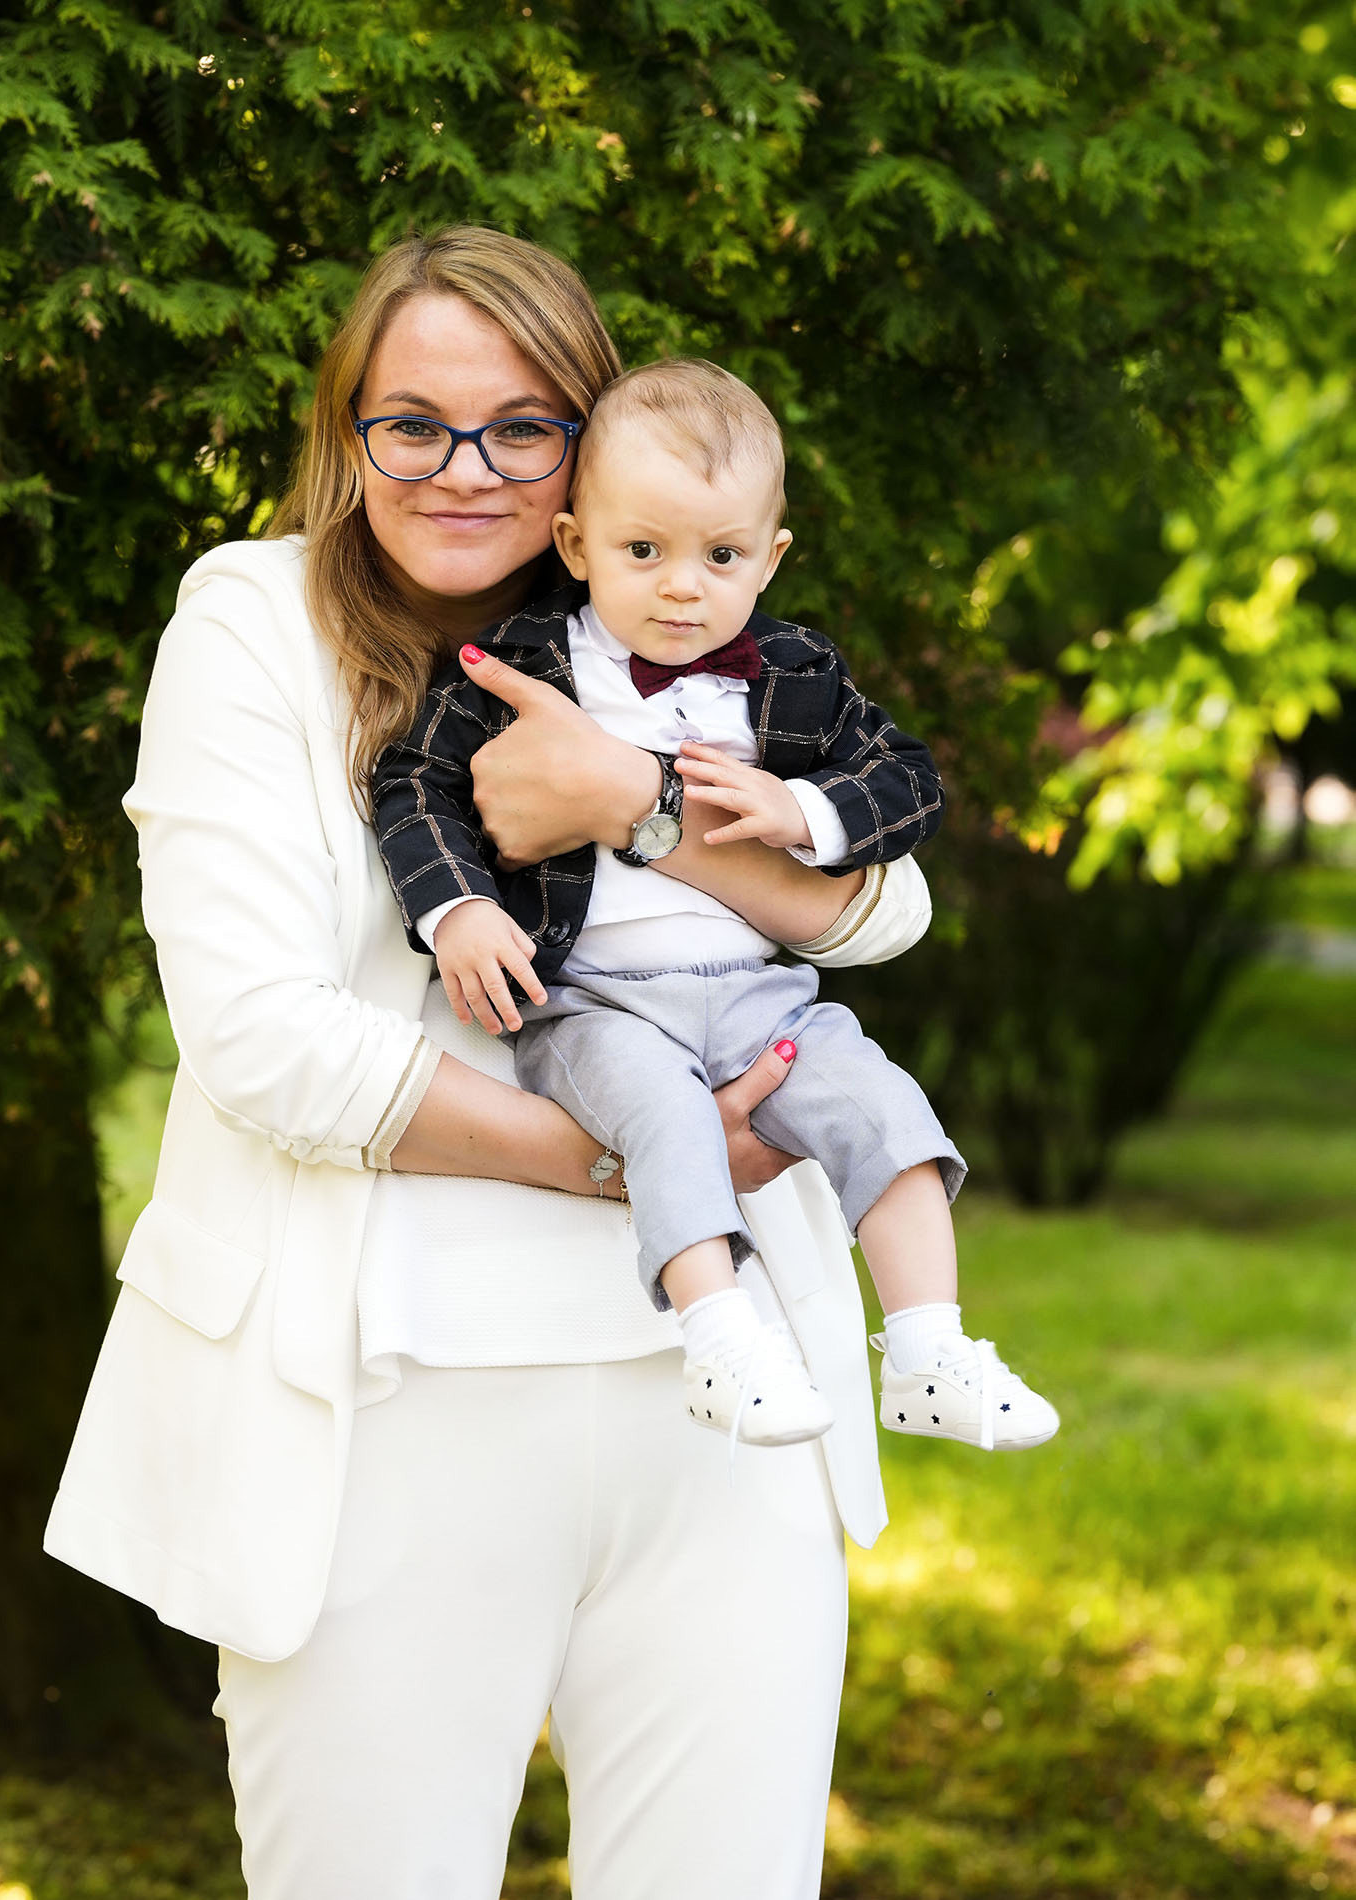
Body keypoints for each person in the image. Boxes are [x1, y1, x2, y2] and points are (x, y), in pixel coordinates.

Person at [45, 226, 940, 1900]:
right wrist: (646, 1157)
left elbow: (882, 909)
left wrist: (638, 809)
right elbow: (263, 1044)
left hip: (719, 1426)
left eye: (522, 427)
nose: (465, 470)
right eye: (414, 425)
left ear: (586, 449)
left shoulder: (661, 616)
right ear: (349, 433)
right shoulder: (251, 622)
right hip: (383, 1417)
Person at [371, 356, 1059, 1455]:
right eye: (643, 551)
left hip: (759, 995)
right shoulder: (515, 663)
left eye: (721, 555)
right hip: (595, 1001)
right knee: (665, 1115)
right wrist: (457, 910)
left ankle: (930, 1349)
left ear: (769, 557)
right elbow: (412, 785)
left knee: (880, 1105)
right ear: (576, 543)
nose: (682, 586)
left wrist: (806, 810)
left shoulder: (794, 674)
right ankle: (720, 1338)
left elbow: (909, 782)